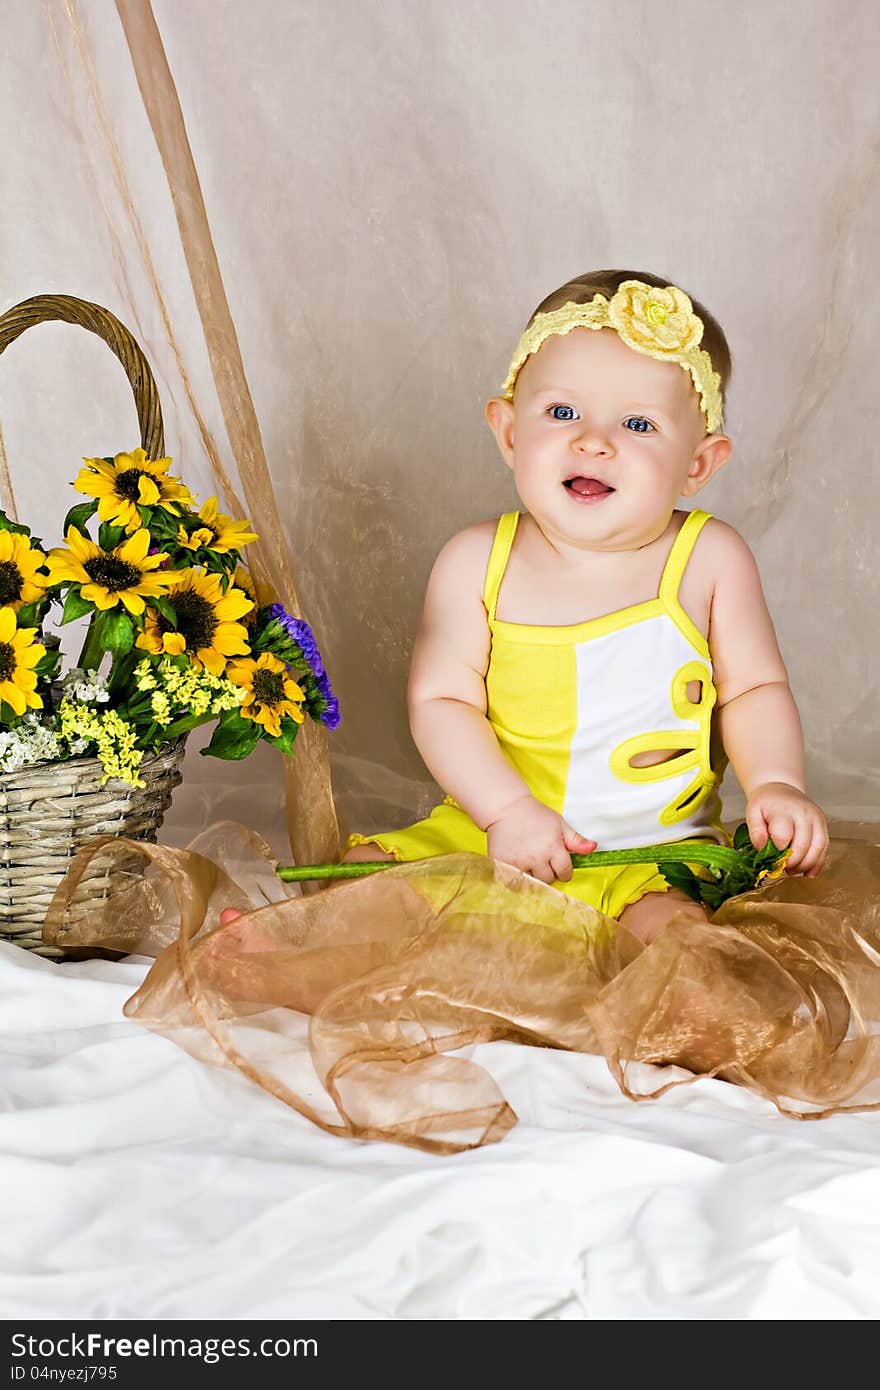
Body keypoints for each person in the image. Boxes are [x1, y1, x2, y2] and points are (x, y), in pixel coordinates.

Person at [334, 270, 828, 945]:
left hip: (649, 856)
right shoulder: (476, 562)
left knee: (683, 945)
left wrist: (776, 782)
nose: (594, 441)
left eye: (638, 424)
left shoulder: (709, 559)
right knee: (361, 881)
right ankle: (292, 955)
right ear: (509, 431)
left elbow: (754, 688)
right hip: (495, 831)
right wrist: (507, 810)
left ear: (698, 464)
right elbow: (440, 703)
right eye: (563, 413)